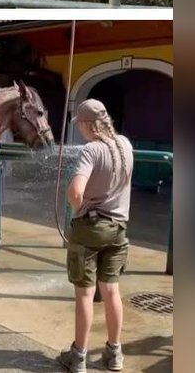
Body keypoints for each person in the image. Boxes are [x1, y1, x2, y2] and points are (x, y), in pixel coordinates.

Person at [58, 98, 134, 372]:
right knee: (111, 291)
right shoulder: (125, 144)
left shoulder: (91, 150)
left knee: (84, 295)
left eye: (80, 125)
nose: (80, 130)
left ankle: (78, 356)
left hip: (90, 229)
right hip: (118, 230)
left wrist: (81, 208)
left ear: (90, 125)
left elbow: (75, 192)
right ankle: (114, 354)